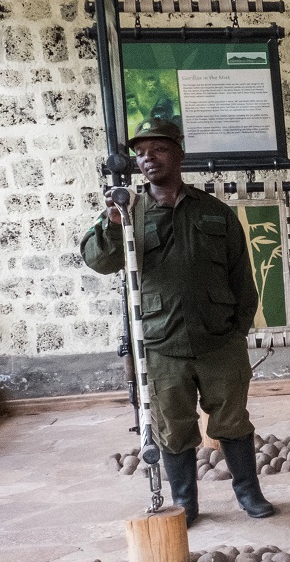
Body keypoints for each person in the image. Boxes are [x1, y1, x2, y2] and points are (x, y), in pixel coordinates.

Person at [81, 117, 276, 522]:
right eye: (140, 154)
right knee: (174, 428)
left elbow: (243, 275)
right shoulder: (128, 212)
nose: (147, 159)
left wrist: (237, 330)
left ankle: (249, 494)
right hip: (161, 343)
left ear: (180, 153)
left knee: (233, 421)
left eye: (158, 149)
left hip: (219, 340)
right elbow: (99, 260)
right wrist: (112, 223)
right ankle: (185, 503)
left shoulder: (215, 213)